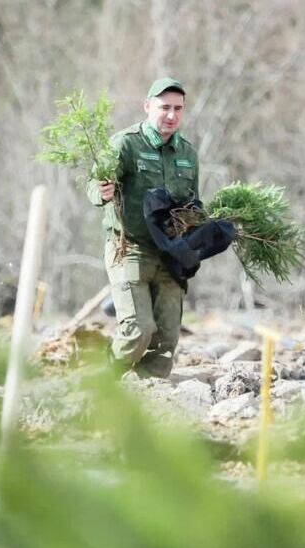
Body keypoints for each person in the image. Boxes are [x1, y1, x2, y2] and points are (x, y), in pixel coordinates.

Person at [88, 77, 199, 379]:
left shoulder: (188, 154)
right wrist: (102, 191)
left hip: (169, 254)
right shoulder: (125, 143)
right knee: (138, 330)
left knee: (166, 341)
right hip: (130, 248)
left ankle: (144, 401)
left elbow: (193, 205)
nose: (172, 115)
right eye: (165, 107)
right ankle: (101, 384)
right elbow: (94, 184)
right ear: (148, 106)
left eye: (178, 108)